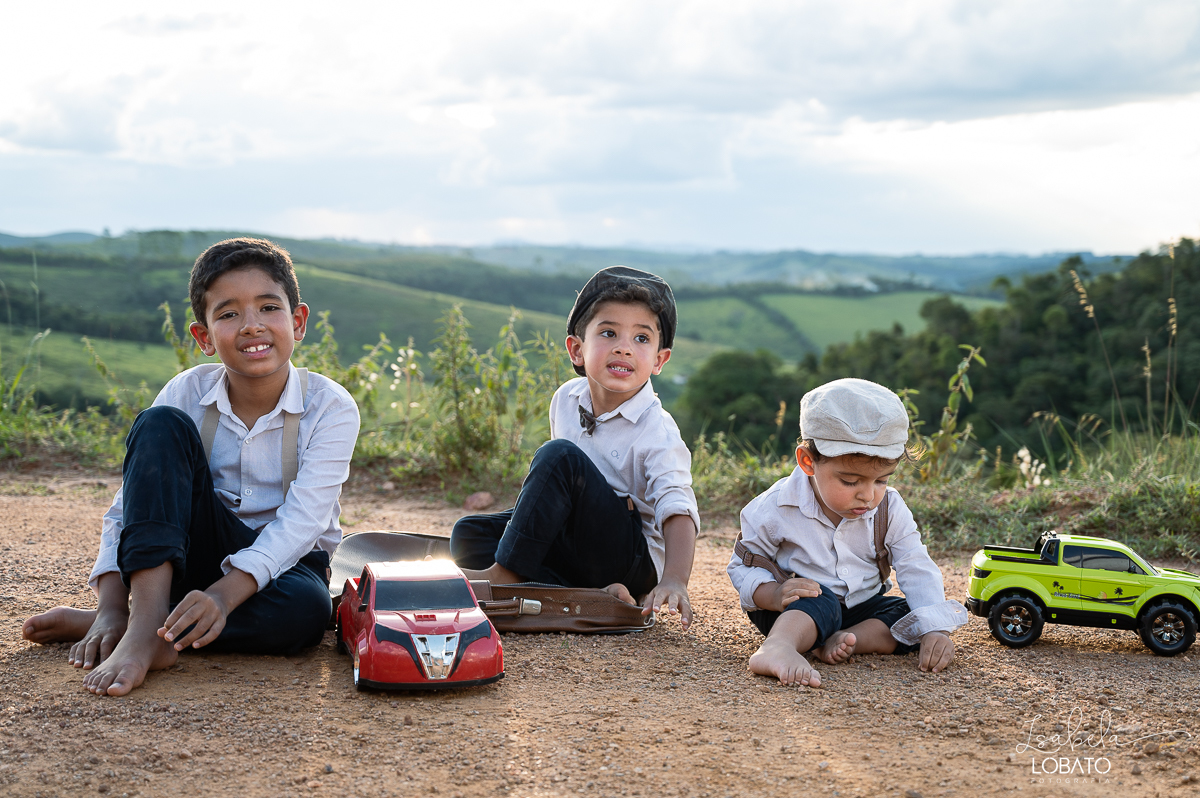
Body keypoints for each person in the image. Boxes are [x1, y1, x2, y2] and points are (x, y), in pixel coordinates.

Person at [22, 238, 360, 696]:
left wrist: (223, 595)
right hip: (189, 556)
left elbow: (305, 521)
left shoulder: (330, 407)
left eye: (268, 308)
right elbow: (131, 507)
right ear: (203, 337)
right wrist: (110, 601)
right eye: (228, 314)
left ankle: (156, 621)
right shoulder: (186, 392)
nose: (251, 326)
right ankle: (139, 629)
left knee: (306, 614)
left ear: (297, 322)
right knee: (159, 424)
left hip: (286, 567)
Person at [451, 266, 700, 628]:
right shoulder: (566, 398)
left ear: (660, 360)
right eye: (609, 332)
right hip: (580, 549)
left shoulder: (656, 430)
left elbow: (678, 508)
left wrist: (674, 579)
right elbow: (554, 497)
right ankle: (590, 594)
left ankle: (503, 578)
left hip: (630, 557)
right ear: (577, 349)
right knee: (470, 534)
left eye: (642, 338)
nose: (623, 347)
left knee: (560, 457)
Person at [727, 378, 966, 687]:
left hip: (861, 606)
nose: (868, 495)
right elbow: (744, 565)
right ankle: (778, 647)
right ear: (808, 462)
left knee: (911, 613)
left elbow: (914, 564)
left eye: (881, 480)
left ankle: (843, 640)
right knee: (820, 600)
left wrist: (936, 629)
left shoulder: (889, 509)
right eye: (851, 481)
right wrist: (771, 594)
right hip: (795, 607)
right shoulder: (775, 508)